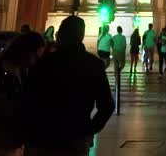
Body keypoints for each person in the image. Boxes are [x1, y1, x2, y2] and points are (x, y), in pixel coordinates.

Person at [22, 15, 114, 156]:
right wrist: (88, 130)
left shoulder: (44, 63)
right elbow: (107, 106)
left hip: (43, 136)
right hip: (76, 137)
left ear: (61, 35)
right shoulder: (94, 64)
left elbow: (27, 99)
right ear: (81, 36)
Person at [0, 33, 42, 156]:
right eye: (35, 55)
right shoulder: (0, 73)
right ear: (25, 52)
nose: (35, 60)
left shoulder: (21, 72)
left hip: (10, 139)